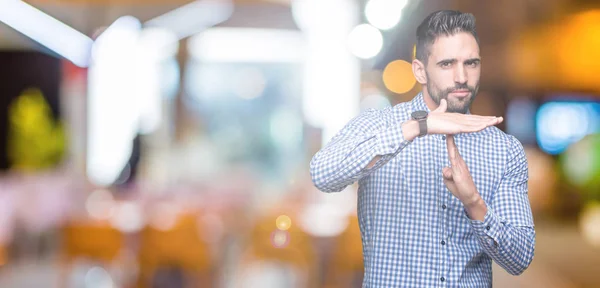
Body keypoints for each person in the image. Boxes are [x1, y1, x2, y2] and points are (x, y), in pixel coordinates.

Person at [310, 10, 535, 287]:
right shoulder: (378, 125)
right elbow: (322, 173)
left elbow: (521, 258)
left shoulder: (504, 150)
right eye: (447, 64)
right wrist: (418, 127)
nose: (462, 76)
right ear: (420, 71)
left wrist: (474, 203)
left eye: (471, 63)